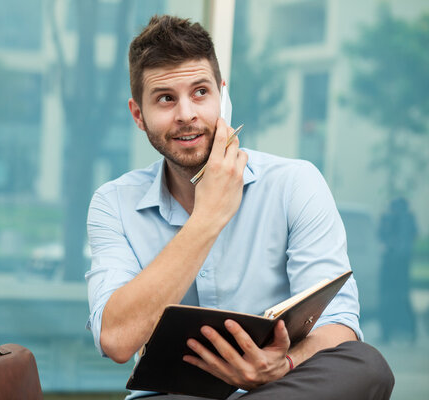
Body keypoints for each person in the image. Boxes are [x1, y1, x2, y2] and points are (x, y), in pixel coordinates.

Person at [85, 15, 394, 399]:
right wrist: (208, 216)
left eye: (200, 92)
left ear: (222, 96)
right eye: (166, 98)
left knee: (367, 365)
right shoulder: (114, 203)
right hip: (172, 397)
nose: (186, 114)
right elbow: (116, 339)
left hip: (284, 386)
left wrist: (286, 365)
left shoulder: (295, 183)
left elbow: (338, 325)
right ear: (138, 115)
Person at [378, 197, 418, 343]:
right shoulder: (403, 218)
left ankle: (390, 334)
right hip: (396, 264)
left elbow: (384, 237)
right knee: (396, 298)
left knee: (393, 298)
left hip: (396, 265)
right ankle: (390, 333)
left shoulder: (401, 219)